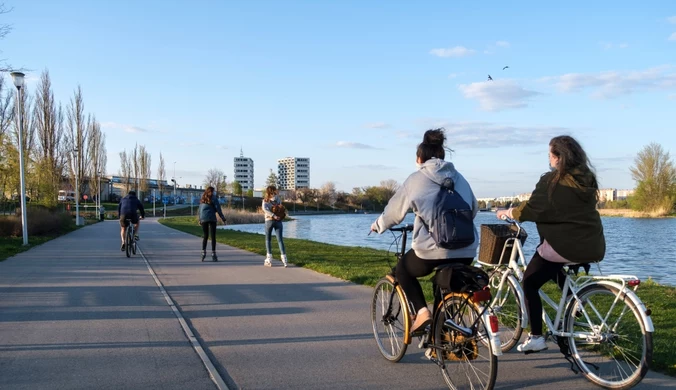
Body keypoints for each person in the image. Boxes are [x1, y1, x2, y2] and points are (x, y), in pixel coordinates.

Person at [496, 135, 605, 353]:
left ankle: (536, 337)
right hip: (593, 244)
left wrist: (508, 212)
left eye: (550, 155)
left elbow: (533, 208)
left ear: (558, 158)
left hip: (566, 245)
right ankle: (577, 304)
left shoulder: (552, 181)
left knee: (530, 282)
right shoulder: (586, 178)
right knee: (550, 262)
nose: (549, 159)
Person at [370, 128, 479, 332]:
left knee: (403, 270)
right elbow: (473, 209)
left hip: (431, 251)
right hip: (467, 249)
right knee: (443, 284)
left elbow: (394, 212)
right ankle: (441, 334)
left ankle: (422, 313)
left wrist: (378, 225)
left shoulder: (416, 179)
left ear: (420, 158)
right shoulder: (460, 178)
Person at [198, 186, 227, 261]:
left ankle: (203, 252)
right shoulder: (214, 198)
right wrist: (223, 218)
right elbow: (218, 209)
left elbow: (200, 210)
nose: (214, 193)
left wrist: (200, 219)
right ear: (212, 192)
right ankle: (213, 253)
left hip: (203, 218)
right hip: (212, 218)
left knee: (205, 236)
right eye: (213, 192)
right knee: (213, 236)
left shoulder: (202, 199)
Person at [262, 185, 287, 267]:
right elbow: (281, 208)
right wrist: (277, 216)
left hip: (269, 220)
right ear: (274, 191)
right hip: (278, 221)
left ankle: (269, 258)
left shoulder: (265, 200)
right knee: (280, 240)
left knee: (268, 240)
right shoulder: (278, 199)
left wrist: (272, 215)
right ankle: (284, 258)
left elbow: (265, 209)